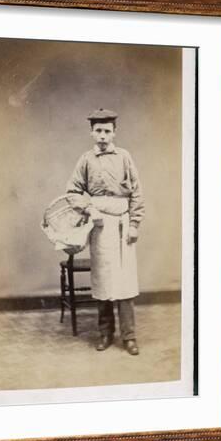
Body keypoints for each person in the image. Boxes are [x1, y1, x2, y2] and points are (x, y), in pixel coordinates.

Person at [66, 108, 145, 354]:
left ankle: (129, 337)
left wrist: (133, 224)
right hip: (99, 227)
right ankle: (105, 333)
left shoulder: (124, 157)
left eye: (107, 131)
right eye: (98, 131)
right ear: (92, 132)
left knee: (124, 282)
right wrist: (89, 209)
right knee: (102, 281)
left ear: (114, 133)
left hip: (122, 226)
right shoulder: (85, 160)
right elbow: (72, 192)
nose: (102, 135)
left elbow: (137, 193)